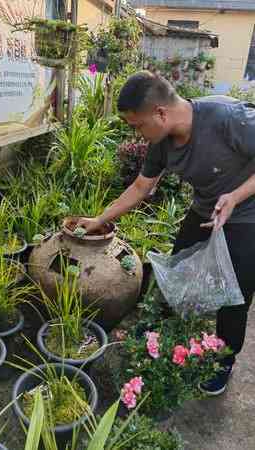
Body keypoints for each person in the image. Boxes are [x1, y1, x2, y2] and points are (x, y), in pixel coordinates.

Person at [77, 71, 255, 396]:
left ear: (160, 113)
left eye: (137, 126)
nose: (138, 134)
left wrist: (235, 197)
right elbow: (141, 187)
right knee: (175, 270)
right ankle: (160, 331)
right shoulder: (161, 142)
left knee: (235, 295)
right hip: (205, 210)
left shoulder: (228, 118)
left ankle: (223, 361)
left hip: (248, 215)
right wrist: (98, 219)